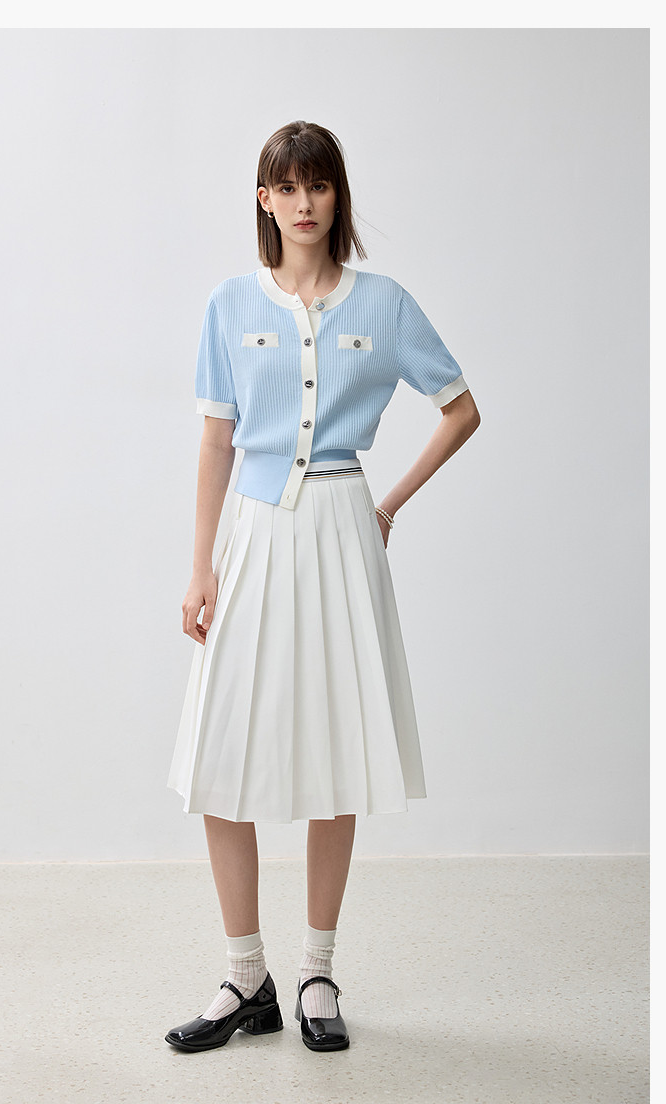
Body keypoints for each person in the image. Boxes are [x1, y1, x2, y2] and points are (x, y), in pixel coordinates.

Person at [164, 120, 481, 1054]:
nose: (304, 203)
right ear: (264, 200)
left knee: (337, 754)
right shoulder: (230, 304)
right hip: (255, 536)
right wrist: (199, 566)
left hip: (344, 531)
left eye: (320, 186)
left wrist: (389, 503)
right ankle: (245, 975)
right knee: (222, 757)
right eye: (287, 187)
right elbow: (217, 441)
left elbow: (461, 408)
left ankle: (316, 971)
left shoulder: (383, 304)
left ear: (338, 196)